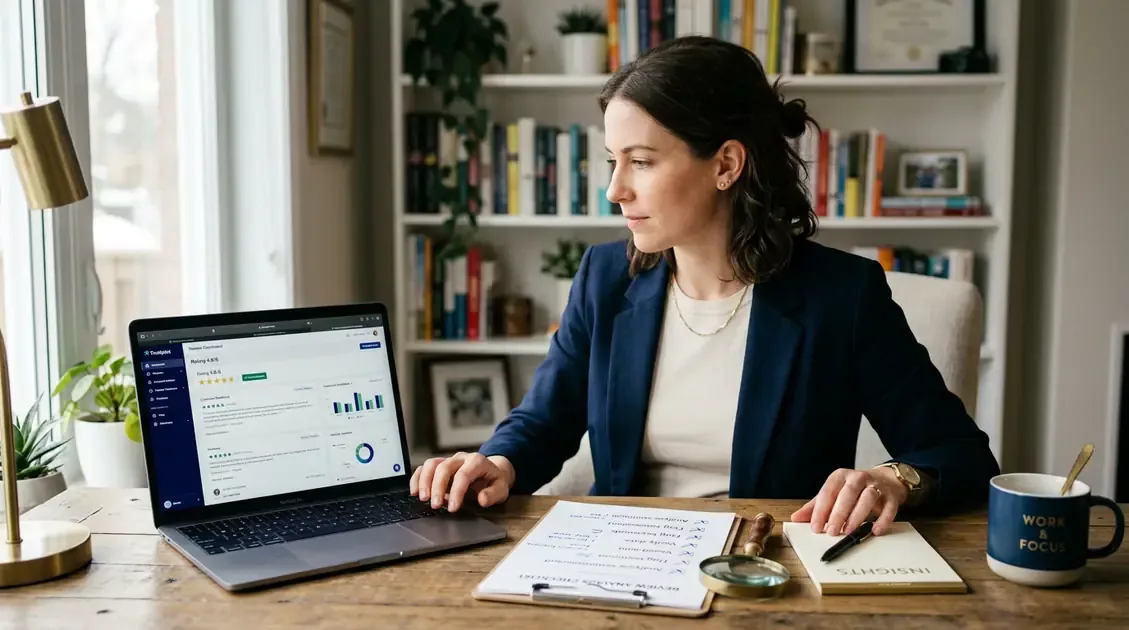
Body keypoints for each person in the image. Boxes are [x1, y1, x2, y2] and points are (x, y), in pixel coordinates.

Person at [410, 36, 1000, 537]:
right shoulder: (604, 278)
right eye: (612, 161)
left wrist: (891, 478)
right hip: (620, 560)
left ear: (726, 164)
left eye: (640, 162)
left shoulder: (841, 296)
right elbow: (545, 420)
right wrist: (496, 463)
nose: (615, 190)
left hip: (767, 574)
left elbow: (961, 456)